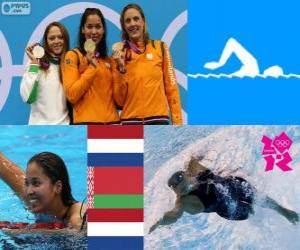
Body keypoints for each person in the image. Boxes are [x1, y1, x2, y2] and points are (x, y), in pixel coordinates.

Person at [149, 157, 299, 233]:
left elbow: (195, 156)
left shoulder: (193, 168)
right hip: (230, 209)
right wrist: (159, 221)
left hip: (234, 184)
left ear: (186, 174)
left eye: (178, 179)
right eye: (173, 185)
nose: (176, 185)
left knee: (254, 194)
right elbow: (175, 214)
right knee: (251, 209)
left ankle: (283, 211)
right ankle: (261, 215)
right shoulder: (184, 202)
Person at [112, 4, 183, 125]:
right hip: (130, 122)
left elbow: (172, 88)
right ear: (124, 26)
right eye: (128, 21)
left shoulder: (160, 47)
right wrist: (121, 68)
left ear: (143, 21)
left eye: (136, 19)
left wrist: (178, 122)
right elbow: (119, 101)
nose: (133, 24)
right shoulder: (119, 53)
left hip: (158, 120)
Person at [0, 152, 86, 230]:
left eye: (36, 183)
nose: (29, 191)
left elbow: (75, 232)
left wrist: (23, 230)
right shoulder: (36, 200)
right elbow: (5, 167)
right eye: (27, 183)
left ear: (57, 187)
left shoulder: (79, 216)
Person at [62, 8, 119, 124]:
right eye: (89, 26)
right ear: (82, 29)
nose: (94, 31)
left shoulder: (109, 60)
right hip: (86, 126)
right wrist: (92, 68)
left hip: (113, 125)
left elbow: (120, 101)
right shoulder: (73, 56)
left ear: (103, 30)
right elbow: (72, 95)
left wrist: (121, 71)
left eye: (98, 27)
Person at [20, 22, 71, 125]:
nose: (56, 41)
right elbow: (28, 97)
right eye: (52, 38)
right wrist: (34, 64)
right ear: (46, 42)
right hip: (39, 132)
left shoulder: (71, 64)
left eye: (60, 37)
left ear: (65, 39)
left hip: (65, 132)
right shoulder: (36, 64)